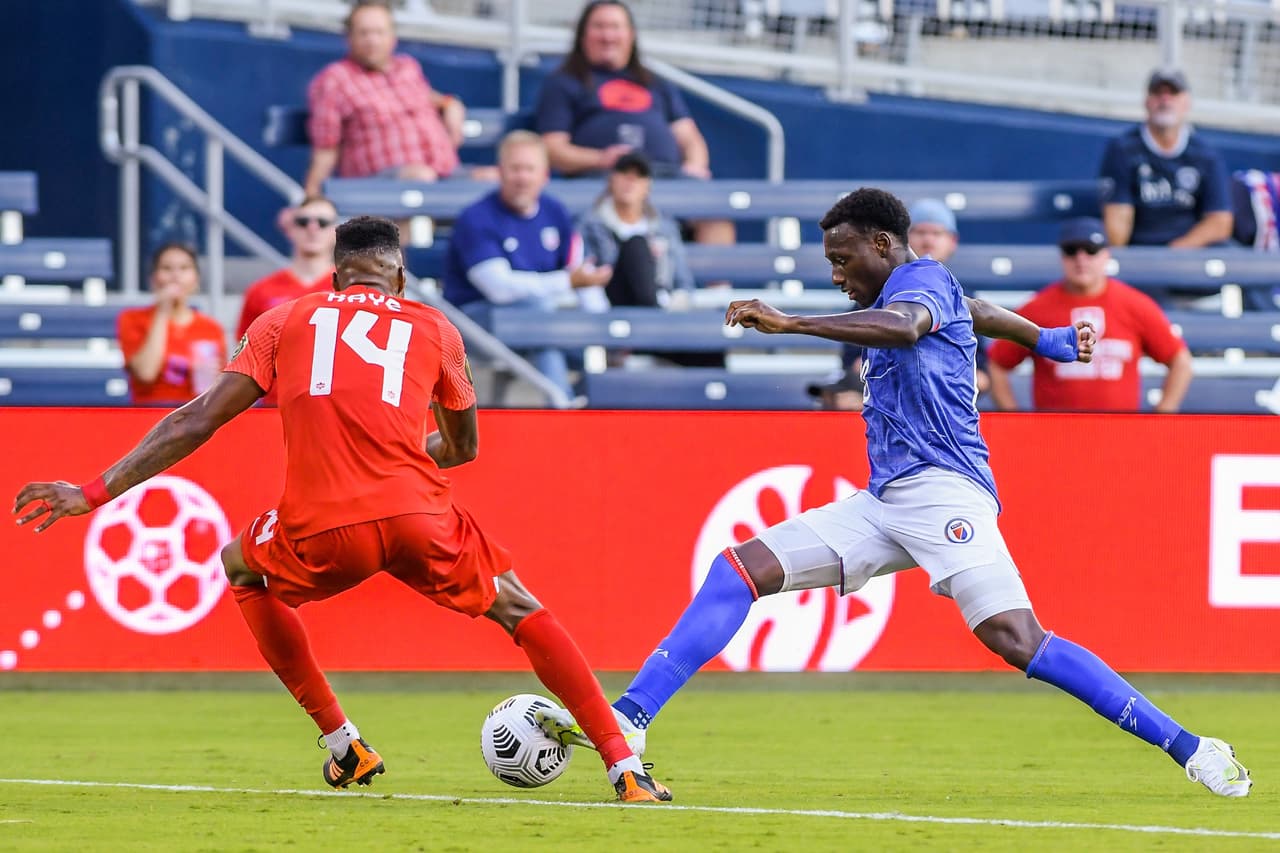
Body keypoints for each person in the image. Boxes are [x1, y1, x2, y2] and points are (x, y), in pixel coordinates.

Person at [534, 188, 1251, 799]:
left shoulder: (920, 281)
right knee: (739, 570)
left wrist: (790, 321)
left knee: (1017, 638)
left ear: (883, 244)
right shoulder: (930, 290)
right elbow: (978, 310)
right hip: (884, 501)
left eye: (843, 259)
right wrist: (1051, 340)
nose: (837, 274)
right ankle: (630, 716)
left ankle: (1191, 746)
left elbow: (909, 327)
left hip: (946, 494)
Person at [13, 216, 670, 804]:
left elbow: (197, 418)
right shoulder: (437, 329)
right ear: (400, 278)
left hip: (322, 527)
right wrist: (399, 452)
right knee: (522, 609)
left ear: (334, 277)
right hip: (419, 518)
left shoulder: (283, 321)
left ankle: (343, 743)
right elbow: (464, 448)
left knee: (239, 564)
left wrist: (91, 492)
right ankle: (624, 767)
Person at [534, 0, 733, 247]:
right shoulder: (564, 82)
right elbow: (552, 148)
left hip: (664, 179)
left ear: (631, 35)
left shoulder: (656, 83)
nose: (608, 36)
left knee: (714, 212)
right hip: (600, 180)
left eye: (615, 27)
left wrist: (694, 166)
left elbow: (690, 137)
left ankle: (713, 276)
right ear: (583, 35)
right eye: (599, 27)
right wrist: (601, 159)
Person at [442, 131, 612, 401]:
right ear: (500, 172)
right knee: (540, 320)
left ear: (545, 175)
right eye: (515, 169)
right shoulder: (477, 217)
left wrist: (602, 324)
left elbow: (579, 270)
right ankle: (564, 409)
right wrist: (567, 283)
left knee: (551, 330)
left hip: (541, 320)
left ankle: (583, 406)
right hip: (474, 323)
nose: (522, 177)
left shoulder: (554, 211)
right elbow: (499, 289)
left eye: (530, 169)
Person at [986, 217, 1193, 413]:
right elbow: (996, 362)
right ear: (1062, 256)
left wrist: (1162, 418)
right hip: (1054, 433)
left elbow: (1180, 361)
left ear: (1106, 255)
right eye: (1071, 250)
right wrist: (1014, 419)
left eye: (1091, 250)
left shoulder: (1135, 305)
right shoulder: (1037, 308)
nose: (1081, 258)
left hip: (1120, 432)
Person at [303, 0, 475, 198]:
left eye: (379, 32)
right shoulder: (334, 79)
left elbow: (429, 98)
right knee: (420, 179)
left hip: (445, 172)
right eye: (364, 33)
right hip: (380, 183)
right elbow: (325, 148)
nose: (372, 40)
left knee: (494, 178)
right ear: (348, 38)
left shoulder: (407, 67)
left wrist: (450, 103)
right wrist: (311, 197)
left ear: (393, 37)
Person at [1098, 68, 1233, 249]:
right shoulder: (1123, 149)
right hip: (1139, 251)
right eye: (1157, 93)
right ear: (1146, 101)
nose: (1165, 100)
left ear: (1187, 102)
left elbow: (1220, 222)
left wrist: (1174, 253)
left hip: (1187, 252)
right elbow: (1117, 226)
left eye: (1173, 93)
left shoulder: (1206, 154)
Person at [576, 151, 694, 310]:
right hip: (609, 301)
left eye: (639, 175)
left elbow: (683, 280)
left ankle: (655, 314)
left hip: (660, 300)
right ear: (611, 180)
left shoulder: (665, 228)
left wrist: (678, 301)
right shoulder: (590, 224)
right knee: (636, 245)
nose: (630, 181)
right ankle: (654, 314)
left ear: (648, 185)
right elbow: (584, 270)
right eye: (624, 173)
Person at [117, 243, 227, 407]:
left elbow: (217, 388)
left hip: (196, 414)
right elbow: (146, 373)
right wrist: (162, 312)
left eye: (184, 268)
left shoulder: (211, 328)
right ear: (153, 279)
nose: (176, 275)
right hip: (149, 412)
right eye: (167, 268)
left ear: (196, 279)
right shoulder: (132, 319)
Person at [237, 197, 339, 338]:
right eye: (303, 222)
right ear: (290, 229)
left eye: (323, 222)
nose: (312, 229)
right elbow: (245, 347)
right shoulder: (260, 291)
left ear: (336, 231)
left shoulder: (350, 288)